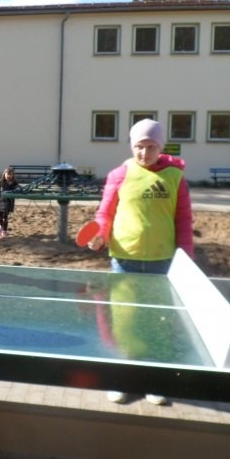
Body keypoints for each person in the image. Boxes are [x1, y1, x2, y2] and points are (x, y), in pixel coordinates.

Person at [87, 118, 194, 406]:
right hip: (125, 261)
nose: (144, 153)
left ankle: (153, 383)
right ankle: (122, 381)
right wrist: (99, 234)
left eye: (150, 147)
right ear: (131, 146)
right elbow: (104, 214)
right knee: (125, 323)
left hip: (163, 262)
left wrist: (186, 258)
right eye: (139, 146)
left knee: (157, 324)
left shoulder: (175, 177)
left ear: (160, 146)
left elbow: (183, 220)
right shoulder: (119, 174)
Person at [0, 167, 19, 238]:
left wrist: (18, 189)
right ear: (4, 174)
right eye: (7, 174)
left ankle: (4, 231)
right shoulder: (2, 182)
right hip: (1, 201)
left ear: (13, 175)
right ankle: (1, 226)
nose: (9, 176)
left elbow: (18, 188)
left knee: (5, 217)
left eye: (10, 174)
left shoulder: (14, 183)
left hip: (8, 202)